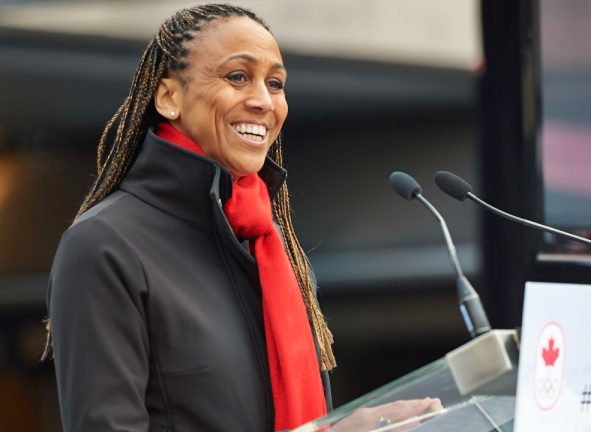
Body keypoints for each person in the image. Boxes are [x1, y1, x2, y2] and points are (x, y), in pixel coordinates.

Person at [46, 4, 441, 431]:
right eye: (237, 77)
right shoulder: (104, 245)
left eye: (275, 83)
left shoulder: (269, 246)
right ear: (169, 97)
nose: (262, 101)